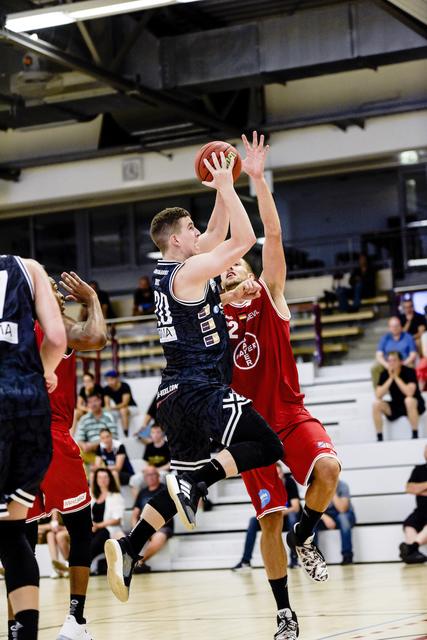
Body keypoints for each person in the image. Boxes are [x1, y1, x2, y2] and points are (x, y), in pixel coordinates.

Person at [104, 149, 283, 608]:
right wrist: (227, 184)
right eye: (191, 230)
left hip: (172, 396)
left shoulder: (173, 270)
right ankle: (199, 479)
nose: (199, 233)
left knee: (175, 488)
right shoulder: (188, 272)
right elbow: (242, 240)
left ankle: (130, 545)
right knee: (267, 447)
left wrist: (221, 187)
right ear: (175, 241)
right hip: (200, 388)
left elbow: (219, 232)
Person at [221, 133, 340, 640]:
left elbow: (271, 233)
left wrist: (254, 180)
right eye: (224, 269)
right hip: (250, 430)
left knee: (329, 469)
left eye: (238, 264)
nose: (233, 269)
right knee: (267, 520)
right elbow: (202, 259)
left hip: (289, 414)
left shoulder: (270, 295)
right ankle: (284, 613)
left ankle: (306, 531)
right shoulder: (210, 314)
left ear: (250, 271)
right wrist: (221, 191)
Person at [22, 271, 107, 640]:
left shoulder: (13, 333)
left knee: (19, 539)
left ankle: (19, 628)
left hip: (15, 442)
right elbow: (99, 337)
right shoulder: (60, 328)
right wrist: (91, 301)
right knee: (78, 527)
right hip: (52, 438)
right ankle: (77, 620)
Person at [0, 255, 66, 640]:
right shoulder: (29, 267)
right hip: (28, 404)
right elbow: (57, 338)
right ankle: (24, 633)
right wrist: (44, 372)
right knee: (12, 533)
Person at [233, 468, 300, 571]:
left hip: (286, 519)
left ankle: (294, 561)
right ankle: (245, 561)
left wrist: (278, 513)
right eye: (275, 474)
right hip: (272, 519)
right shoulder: (266, 484)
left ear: (282, 474)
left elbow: (296, 507)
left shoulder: (289, 482)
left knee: (293, 519)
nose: (277, 476)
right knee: (253, 521)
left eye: (279, 473)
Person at [373, 351, 425, 441]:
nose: (391, 363)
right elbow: (378, 395)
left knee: (408, 400)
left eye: (394, 360)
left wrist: (396, 377)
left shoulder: (409, 371)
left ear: (400, 361)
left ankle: (415, 434)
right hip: (397, 405)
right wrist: (390, 378)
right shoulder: (384, 374)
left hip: (414, 404)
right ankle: (379, 437)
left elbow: (409, 393)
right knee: (376, 404)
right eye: (389, 361)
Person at [131, 467, 174, 572]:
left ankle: (140, 562)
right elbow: (135, 513)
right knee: (121, 536)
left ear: (158, 476)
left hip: (162, 526)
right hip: (143, 526)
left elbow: (170, 513)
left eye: (153, 474)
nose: (150, 477)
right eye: (148, 475)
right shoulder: (142, 493)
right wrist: (134, 528)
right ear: (145, 478)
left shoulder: (165, 490)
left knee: (159, 536)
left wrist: (153, 528)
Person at [90, 469, 125, 572]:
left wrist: (98, 525)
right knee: (82, 541)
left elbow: (117, 520)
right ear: (96, 480)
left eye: (105, 477)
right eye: (100, 477)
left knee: (94, 543)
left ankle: (80, 567)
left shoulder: (116, 496)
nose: (103, 480)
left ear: (110, 479)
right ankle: (74, 565)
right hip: (93, 528)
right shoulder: (91, 495)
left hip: (108, 529)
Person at [399, 444, 427, 564]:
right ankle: (413, 553)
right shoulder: (418, 469)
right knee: (409, 523)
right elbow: (409, 488)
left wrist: (419, 488)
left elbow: (416, 488)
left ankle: (411, 548)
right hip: (421, 510)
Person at [316, 480, 356, 565]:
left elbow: (342, 509)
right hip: (326, 515)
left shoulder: (343, 486)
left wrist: (332, 490)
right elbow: (314, 510)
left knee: (343, 518)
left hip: (344, 514)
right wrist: (325, 517)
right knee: (312, 522)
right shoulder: (317, 487)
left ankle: (347, 556)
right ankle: (315, 559)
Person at [371, 316, 417, 387]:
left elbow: (413, 354)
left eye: (396, 326)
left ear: (400, 326)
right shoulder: (385, 338)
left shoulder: (408, 337)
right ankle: (379, 391)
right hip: (388, 363)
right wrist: (386, 364)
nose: (394, 328)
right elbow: (378, 355)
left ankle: (411, 389)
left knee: (411, 368)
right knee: (375, 369)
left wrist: (403, 363)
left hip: (404, 362)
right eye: (392, 326)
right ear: (389, 328)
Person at [76, 393, 118, 467]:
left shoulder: (108, 416)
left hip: (106, 451)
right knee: (77, 450)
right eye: (90, 402)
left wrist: (93, 445)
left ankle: (100, 467)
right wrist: (84, 446)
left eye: (95, 401)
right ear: (87, 405)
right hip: (90, 452)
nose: (93, 404)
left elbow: (114, 437)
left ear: (100, 401)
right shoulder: (84, 419)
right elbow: (79, 438)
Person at [130, 424, 171, 496]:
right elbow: (146, 462)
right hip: (151, 471)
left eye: (158, 432)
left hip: (163, 471)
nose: (155, 435)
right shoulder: (149, 446)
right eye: (153, 432)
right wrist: (148, 470)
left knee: (159, 477)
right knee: (134, 479)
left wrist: (156, 470)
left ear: (162, 433)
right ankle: (138, 504)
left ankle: (157, 504)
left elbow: (171, 463)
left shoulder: (167, 446)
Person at [103, 370, 137, 437]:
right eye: (108, 380)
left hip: (132, 407)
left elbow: (125, 403)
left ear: (117, 378)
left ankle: (126, 432)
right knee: (107, 413)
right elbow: (107, 404)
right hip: (118, 408)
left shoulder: (125, 386)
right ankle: (109, 433)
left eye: (112, 379)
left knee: (123, 410)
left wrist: (112, 408)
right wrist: (108, 409)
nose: (110, 382)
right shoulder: (106, 389)